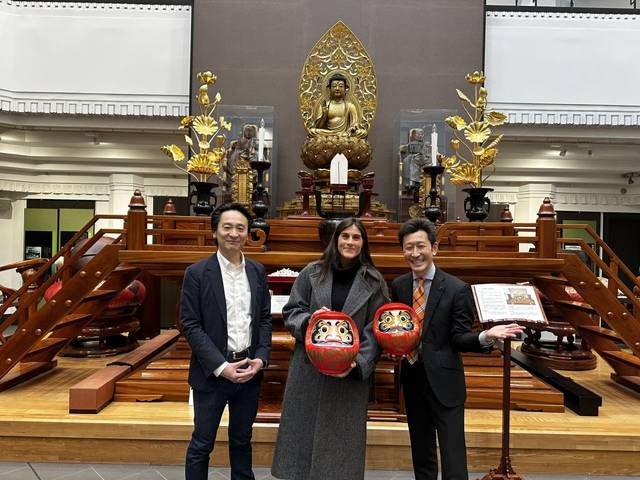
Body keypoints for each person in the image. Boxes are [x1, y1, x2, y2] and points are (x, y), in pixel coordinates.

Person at [391, 218, 524, 480]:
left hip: (445, 382)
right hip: (412, 377)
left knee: (453, 455)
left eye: (420, 246)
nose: (415, 253)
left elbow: (459, 337)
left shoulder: (456, 288)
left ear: (434, 248)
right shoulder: (399, 286)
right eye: (408, 247)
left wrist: (486, 335)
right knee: (422, 451)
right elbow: (399, 328)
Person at [271, 217, 388, 480]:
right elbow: (292, 311)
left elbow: (375, 327)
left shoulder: (374, 280)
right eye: (345, 236)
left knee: (341, 448)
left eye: (356, 237)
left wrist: (358, 363)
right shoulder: (312, 272)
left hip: (348, 373)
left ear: (363, 244)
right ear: (335, 240)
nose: (350, 242)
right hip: (309, 370)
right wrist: (311, 320)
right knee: (301, 446)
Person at [181, 203, 272, 480]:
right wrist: (222, 367)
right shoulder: (197, 273)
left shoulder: (257, 272)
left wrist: (260, 358)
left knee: (242, 441)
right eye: (227, 227)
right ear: (215, 232)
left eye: (240, 228)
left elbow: (264, 319)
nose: (234, 233)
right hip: (212, 374)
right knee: (202, 444)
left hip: (248, 372)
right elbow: (190, 325)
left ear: (248, 233)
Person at [309, 73, 366, 139]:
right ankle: (338, 135)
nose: (337, 88)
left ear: (345, 89)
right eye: (334, 86)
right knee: (312, 131)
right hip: (331, 133)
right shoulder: (325, 105)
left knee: (362, 133)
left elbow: (355, 124)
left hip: (344, 133)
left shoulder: (350, 106)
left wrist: (353, 128)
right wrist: (324, 114)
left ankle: (338, 136)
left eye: (341, 86)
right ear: (329, 89)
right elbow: (318, 126)